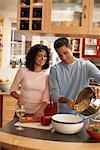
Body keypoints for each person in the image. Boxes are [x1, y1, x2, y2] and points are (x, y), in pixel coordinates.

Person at [49, 37, 100, 114]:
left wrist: (98, 88)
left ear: (70, 48)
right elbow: (54, 94)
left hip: (84, 113)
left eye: (65, 53)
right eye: (60, 55)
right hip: (63, 114)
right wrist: (67, 100)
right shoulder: (55, 69)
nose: (64, 58)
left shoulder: (85, 65)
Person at [10, 44, 50, 121]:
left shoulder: (47, 74)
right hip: (21, 112)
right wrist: (18, 97)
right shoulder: (22, 71)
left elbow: (46, 97)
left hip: (38, 113)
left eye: (45, 56)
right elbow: (12, 90)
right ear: (33, 56)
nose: (43, 58)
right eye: (39, 55)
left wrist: (41, 111)